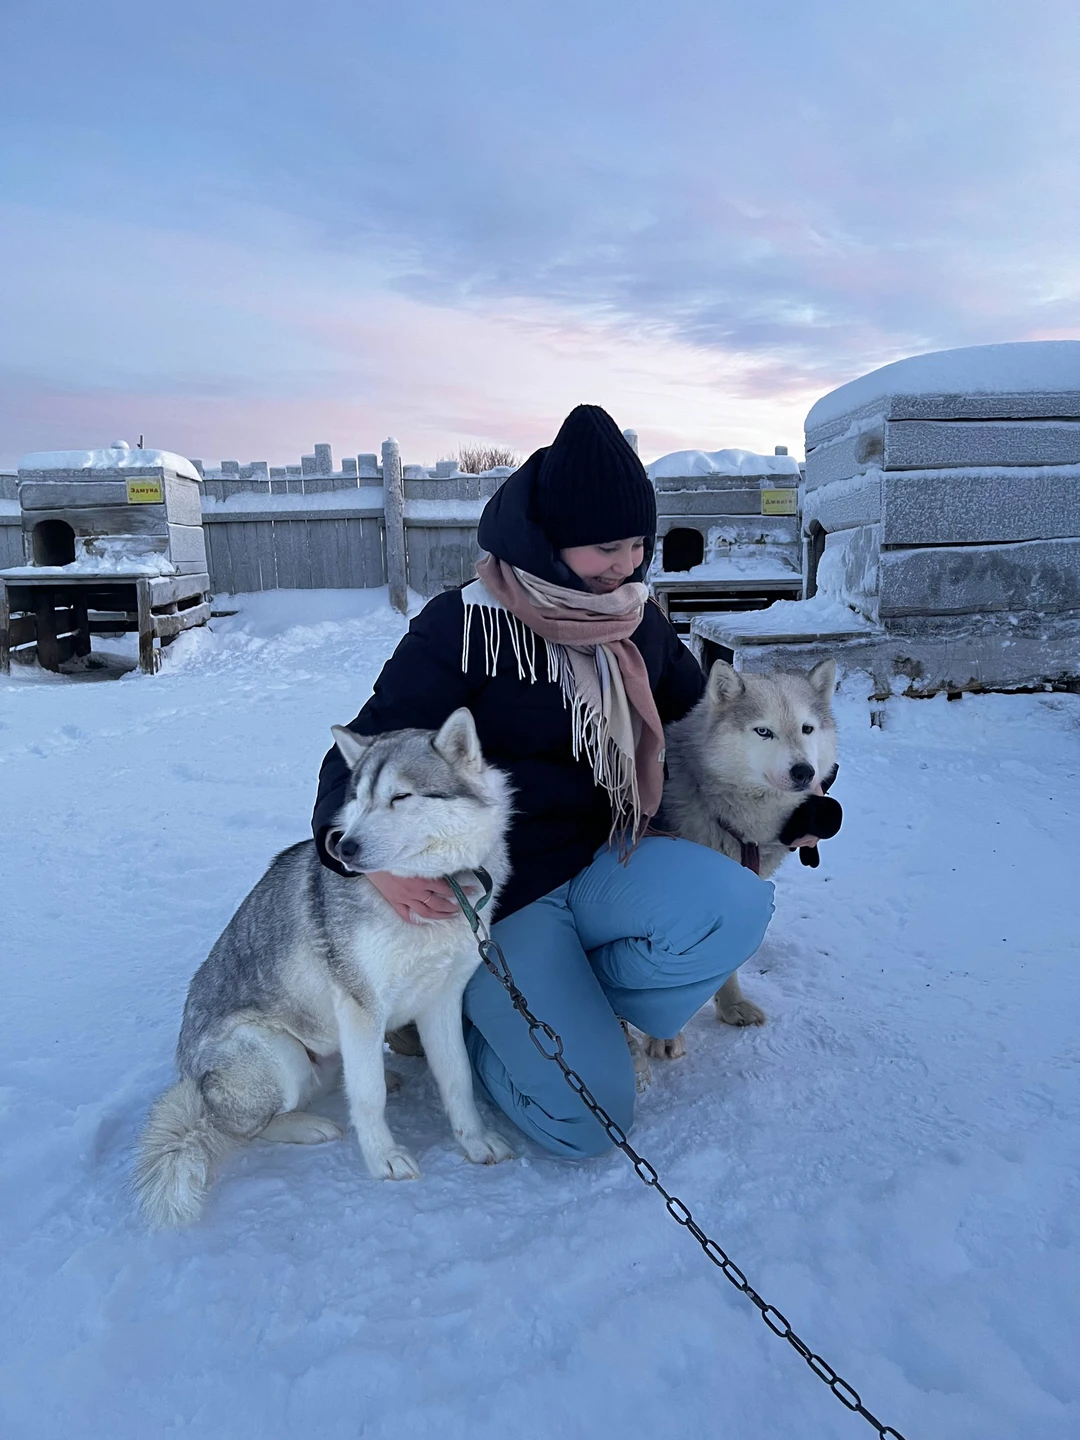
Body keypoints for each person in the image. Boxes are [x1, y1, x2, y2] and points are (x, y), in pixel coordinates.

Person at [312, 405, 775, 1160]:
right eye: (604, 547)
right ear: (548, 540)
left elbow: (700, 724)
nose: (625, 564)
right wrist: (364, 862)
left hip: (606, 859)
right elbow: (363, 760)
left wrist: (789, 782)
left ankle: (566, 1001)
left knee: (738, 905)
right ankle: (458, 1019)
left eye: (636, 544)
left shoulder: (636, 621)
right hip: (501, 895)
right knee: (588, 1121)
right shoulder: (465, 626)